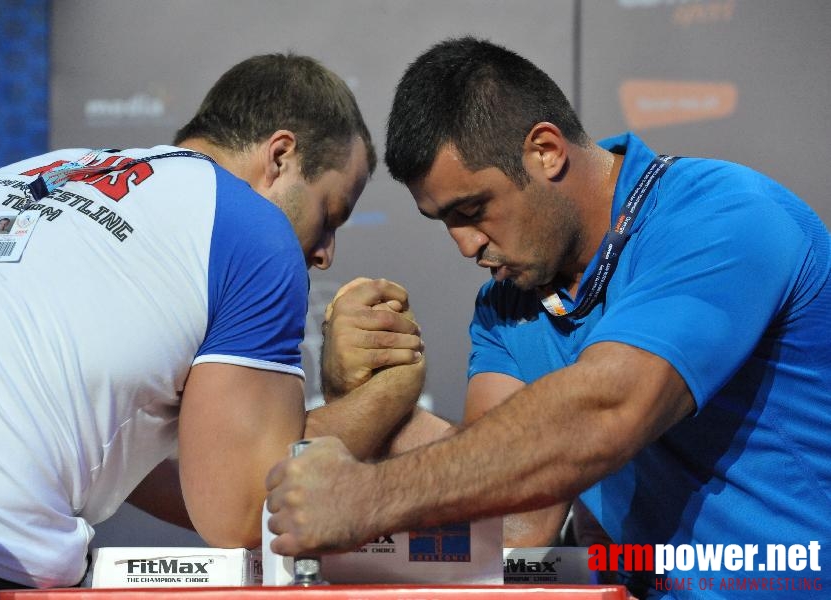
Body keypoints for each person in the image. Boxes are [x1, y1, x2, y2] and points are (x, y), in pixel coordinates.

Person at [265, 37, 831, 598]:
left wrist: (367, 498)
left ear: (546, 150)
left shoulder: (723, 217)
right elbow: (514, 516)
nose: (465, 245)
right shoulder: (508, 302)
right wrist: (365, 390)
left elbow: (606, 410)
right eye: (444, 221)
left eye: (472, 210)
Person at [0, 53, 426, 589]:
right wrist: (392, 389)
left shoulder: (29, 173)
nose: (326, 252)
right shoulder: (255, 230)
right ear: (280, 158)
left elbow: (142, 465)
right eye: (331, 215)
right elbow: (243, 508)